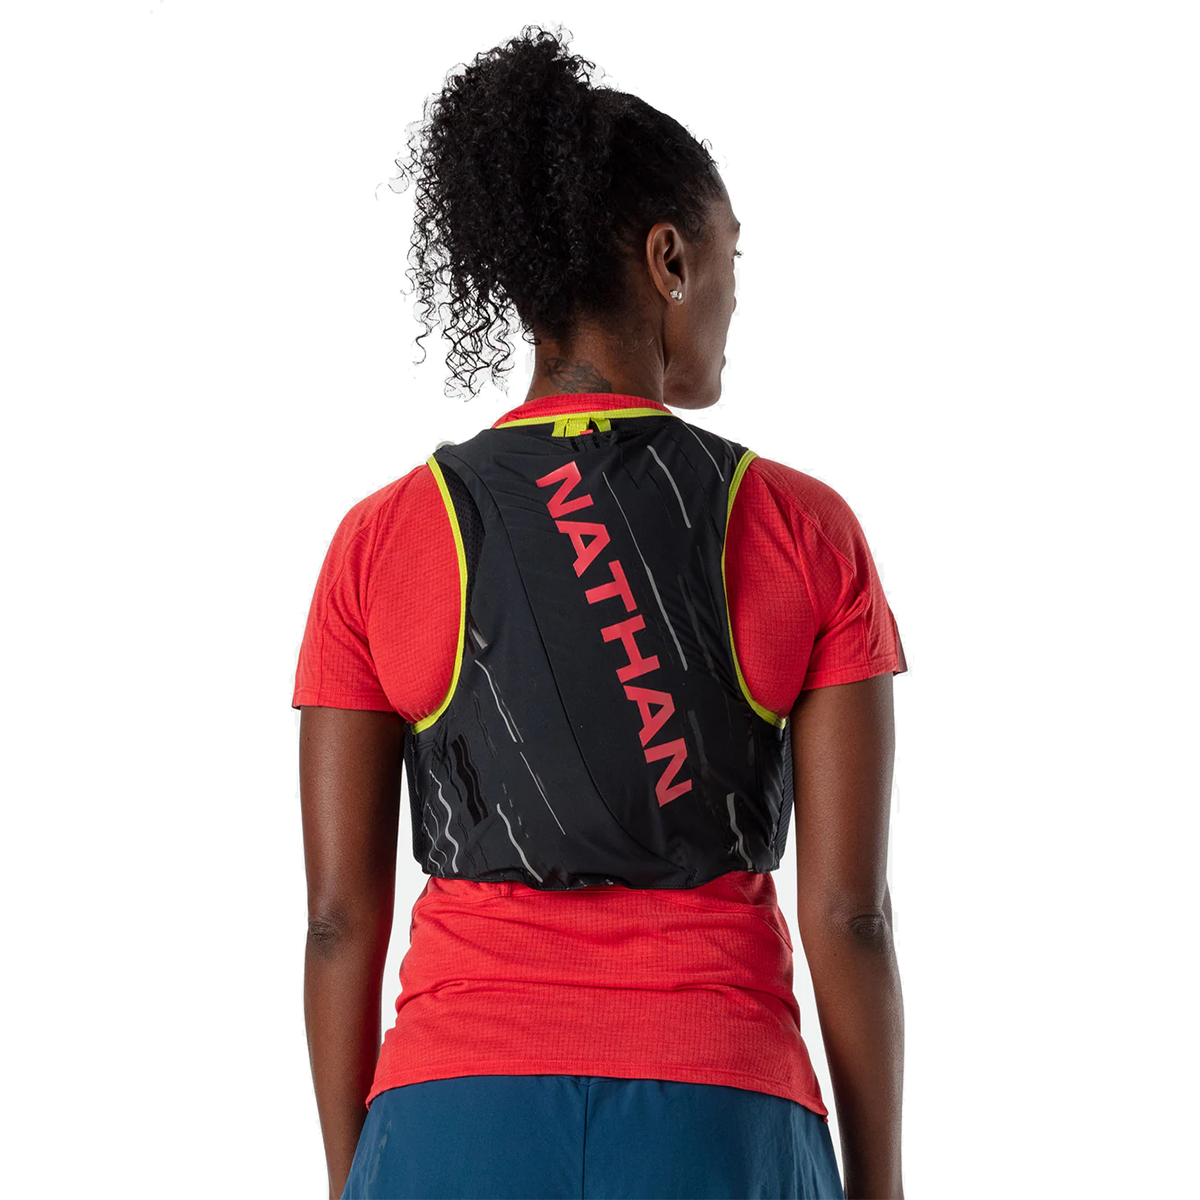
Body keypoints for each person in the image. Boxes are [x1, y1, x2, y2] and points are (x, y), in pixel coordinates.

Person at [293, 26, 907, 1200]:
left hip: (452, 1114)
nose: (735, 295)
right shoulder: (800, 527)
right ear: (670, 259)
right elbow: (849, 916)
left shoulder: (385, 535)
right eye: (731, 256)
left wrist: (364, 1174)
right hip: (720, 1112)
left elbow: (335, 921)